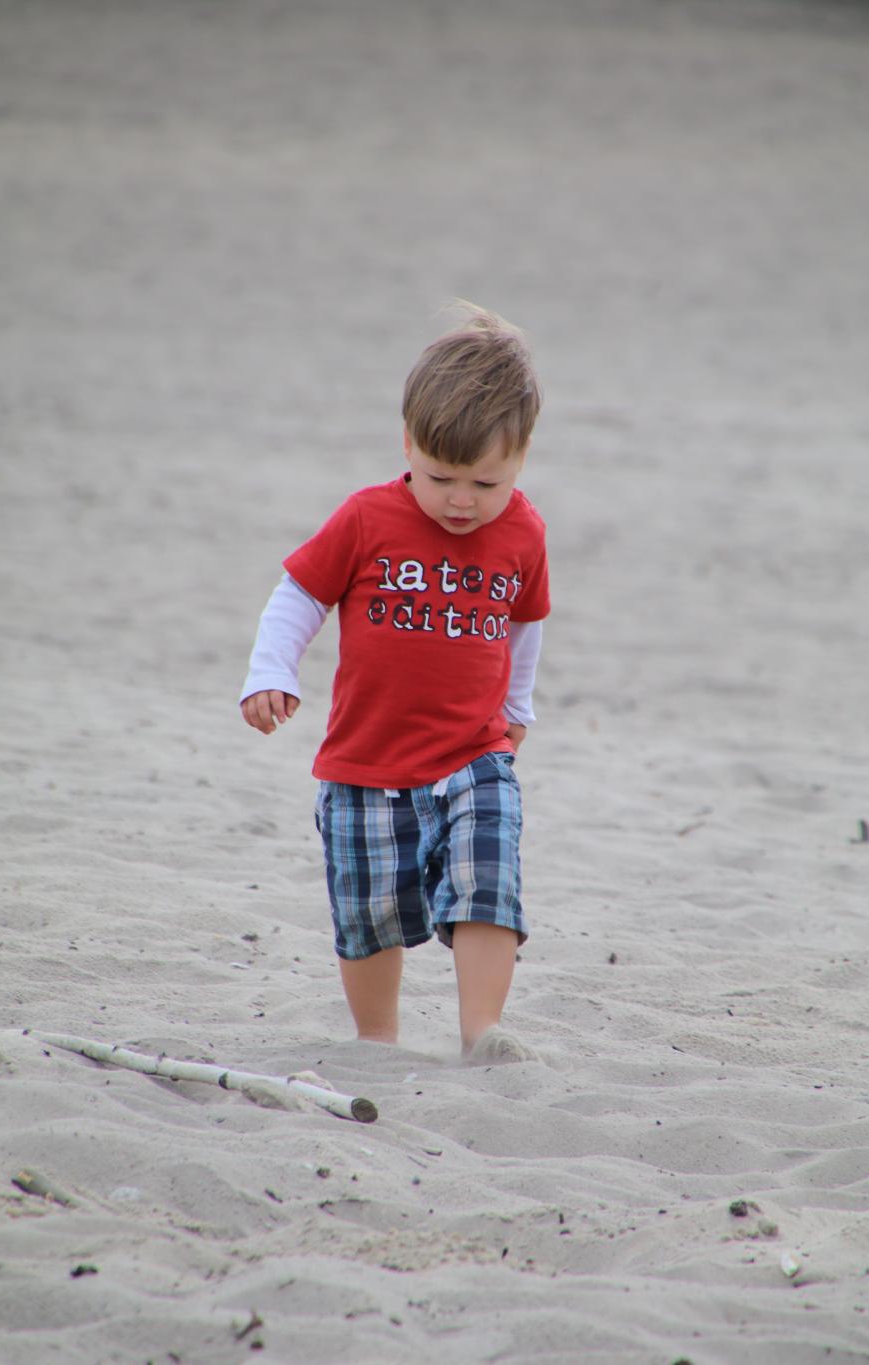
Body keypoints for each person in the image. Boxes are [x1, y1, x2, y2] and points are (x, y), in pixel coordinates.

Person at [240, 305, 550, 1062]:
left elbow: (524, 621)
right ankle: (377, 1038)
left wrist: (516, 709)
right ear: (406, 443)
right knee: (370, 908)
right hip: (364, 761)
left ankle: (483, 1033)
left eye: (487, 481)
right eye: (440, 476)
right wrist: (270, 670)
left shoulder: (524, 532)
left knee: (488, 876)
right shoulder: (367, 516)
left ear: (522, 459)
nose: (460, 500)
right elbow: (300, 594)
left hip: (473, 754)